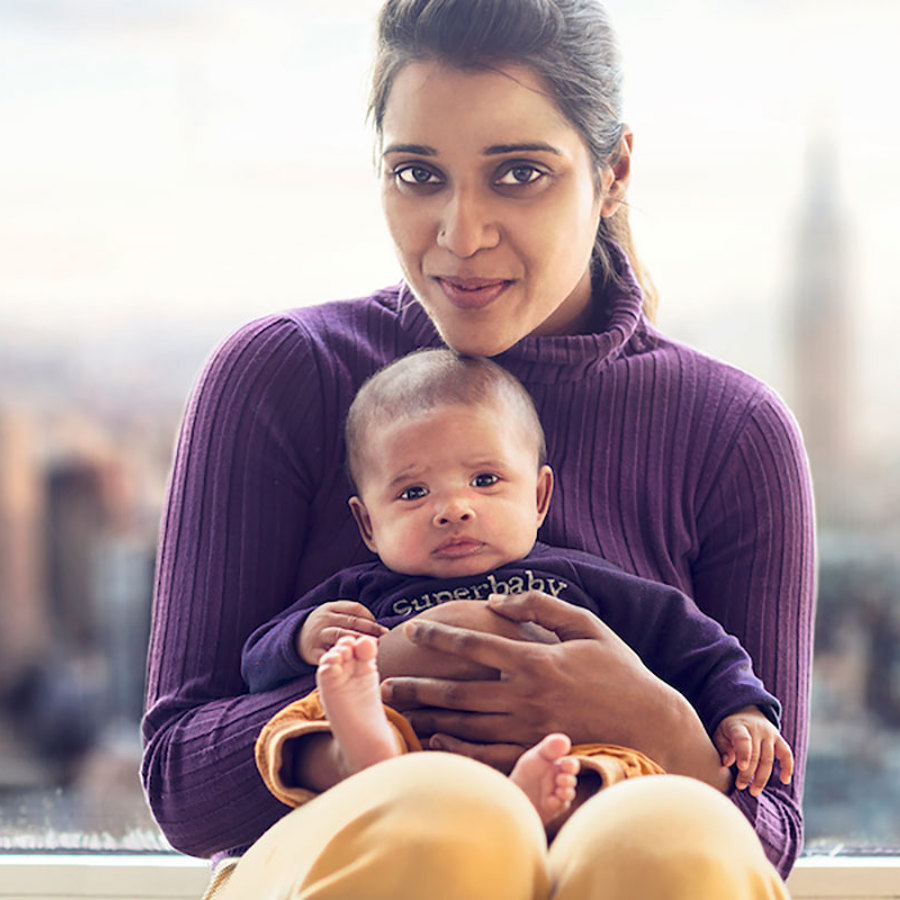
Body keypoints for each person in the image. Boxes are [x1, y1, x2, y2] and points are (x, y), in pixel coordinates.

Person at [141, 1, 815, 897]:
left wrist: (665, 728)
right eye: (418, 174)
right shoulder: (282, 376)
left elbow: (769, 835)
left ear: (612, 171)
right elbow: (182, 785)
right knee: (450, 823)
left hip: (640, 843)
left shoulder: (734, 434)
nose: (459, 236)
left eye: (519, 173)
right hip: (365, 858)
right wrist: (385, 692)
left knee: (667, 846)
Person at [242, 350, 793, 818]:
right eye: (413, 494)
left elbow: (693, 642)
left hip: (568, 751)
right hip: (420, 758)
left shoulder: (577, 580)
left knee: (627, 768)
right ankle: (363, 752)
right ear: (368, 525)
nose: (453, 510)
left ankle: (543, 798)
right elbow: (256, 665)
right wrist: (300, 638)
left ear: (538, 499)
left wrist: (741, 711)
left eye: (485, 481)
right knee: (296, 724)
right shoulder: (363, 592)